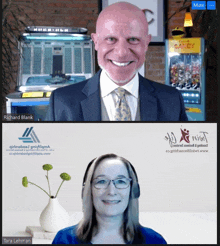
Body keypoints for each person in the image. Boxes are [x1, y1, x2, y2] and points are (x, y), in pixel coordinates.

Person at [45, 2, 188, 121]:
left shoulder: (172, 101)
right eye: (111, 39)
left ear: (146, 43)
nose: (121, 52)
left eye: (133, 39)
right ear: (95, 42)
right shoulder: (61, 103)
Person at [52, 154, 167, 244]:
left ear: (133, 191)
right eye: (101, 181)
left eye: (121, 181)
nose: (111, 191)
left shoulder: (155, 241)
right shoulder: (64, 240)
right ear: (88, 191)